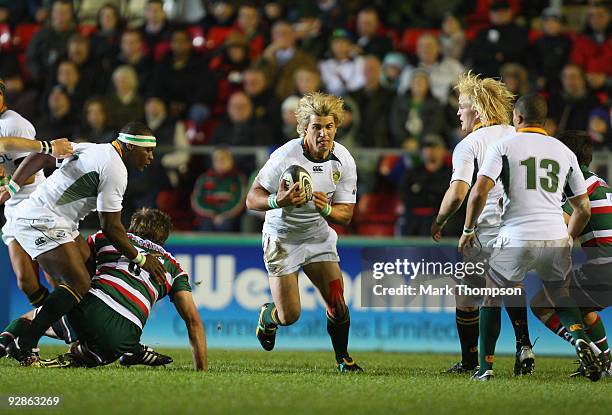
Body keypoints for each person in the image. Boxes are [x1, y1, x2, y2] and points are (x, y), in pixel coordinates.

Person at [459, 94, 601, 381]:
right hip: (554, 234)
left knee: (491, 297)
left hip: (516, 235)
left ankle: (485, 368)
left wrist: (469, 229)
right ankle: (579, 341)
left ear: (517, 118)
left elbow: (479, 191)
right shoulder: (564, 151)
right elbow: (582, 208)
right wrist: (567, 238)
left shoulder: (504, 145)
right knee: (560, 294)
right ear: (545, 121)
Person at [0, 121, 167, 366]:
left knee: (89, 276)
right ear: (130, 147)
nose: (151, 157)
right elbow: (110, 227)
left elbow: (41, 158)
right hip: (41, 219)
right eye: (148, 150)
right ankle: (25, 343)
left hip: (58, 221)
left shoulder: (91, 148)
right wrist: (141, 259)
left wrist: (12, 187)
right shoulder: (115, 170)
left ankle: (19, 337)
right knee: (78, 283)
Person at [0, 208, 207, 371]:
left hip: (93, 308)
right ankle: (130, 350)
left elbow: (73, 268)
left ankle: (5, 342)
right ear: (163, 238)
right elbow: (193, 321)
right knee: (92, 353)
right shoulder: (173, 266)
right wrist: (202, 370)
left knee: (31, 318)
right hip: (125, 335)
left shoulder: (105, 238)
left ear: (131, 227)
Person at [245, 92, 362, 372]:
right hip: (282, 238)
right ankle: (268, 316)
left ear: (336, 126)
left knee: (337, 301)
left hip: (317, 234)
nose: (323, 133)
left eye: (329, 127)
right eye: (316, 127)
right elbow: (252, 199)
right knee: (290, 315)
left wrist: (327, 212)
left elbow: (345, 214)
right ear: (304, 129)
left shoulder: (344, 159)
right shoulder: (285, 156)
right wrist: (278, 201)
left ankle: (343, 359)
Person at [431, 71, 534, 375]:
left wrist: (440, 220)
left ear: (476, 110)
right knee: (511, 285)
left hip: (486, 230)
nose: (458, 111)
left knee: (468, 296)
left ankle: (472, 362)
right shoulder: (519, 135)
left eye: (462, 106)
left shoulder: (470, 144)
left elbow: (458, 191)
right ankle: (523, 346)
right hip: (527, 225)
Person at [529, 130, 611, 377]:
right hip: (604, 265)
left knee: (541, 303)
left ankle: (592, 352)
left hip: (605, 266)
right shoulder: (599, 182)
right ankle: (603, 362)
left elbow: (562, 224)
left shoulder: (580, 187)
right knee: (584, 311)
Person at [191, 146, 246, 232]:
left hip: (229, 217)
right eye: (217, 159)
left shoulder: (238, 179)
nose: (220, 162)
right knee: (205, 225)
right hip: (207, 217)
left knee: (226, 225)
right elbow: (197, 202)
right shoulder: (204, 178)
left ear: (231, 160)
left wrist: (222, 215)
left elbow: (239, 202)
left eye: (224, 158)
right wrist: (213, 214)